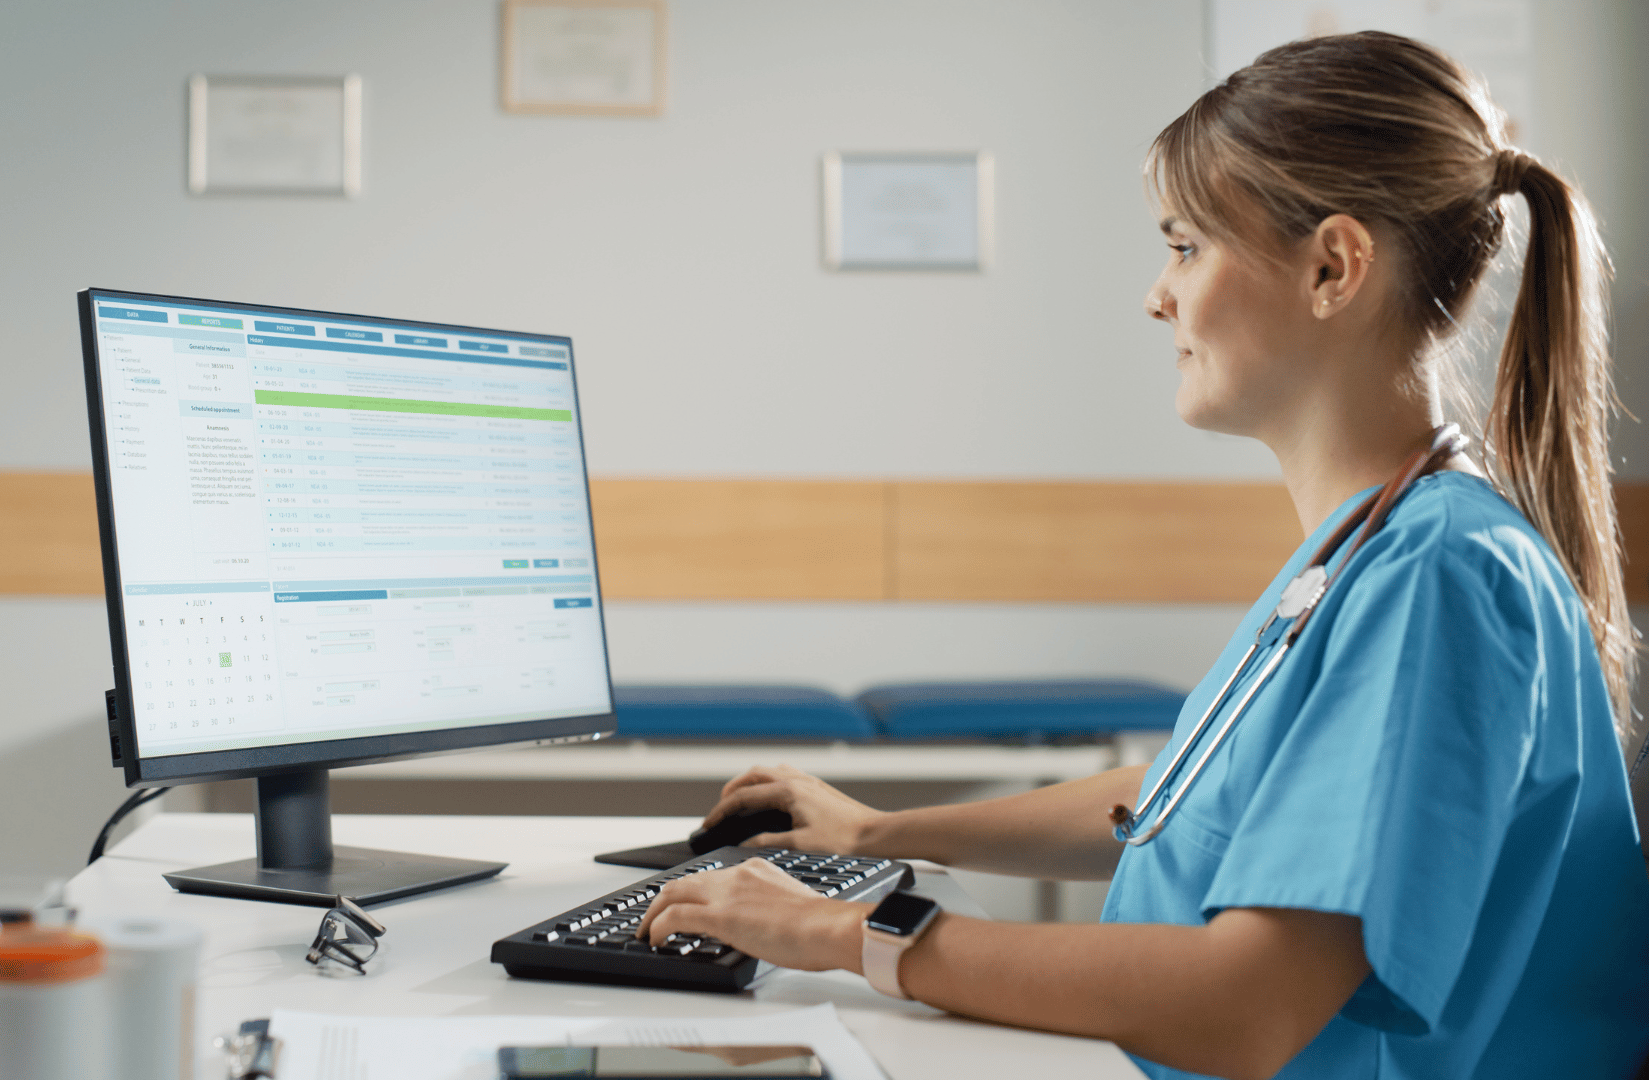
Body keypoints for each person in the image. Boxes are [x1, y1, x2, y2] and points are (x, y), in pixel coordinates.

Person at [635, 31, 1649, 1080]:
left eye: (1185, 247)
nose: (1158, 296)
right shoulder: (1374, 547)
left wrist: (846, 937)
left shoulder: (1437, 573)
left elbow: (1246, 1006)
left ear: (1332, 266)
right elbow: (1181, 797)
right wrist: (881, 833)